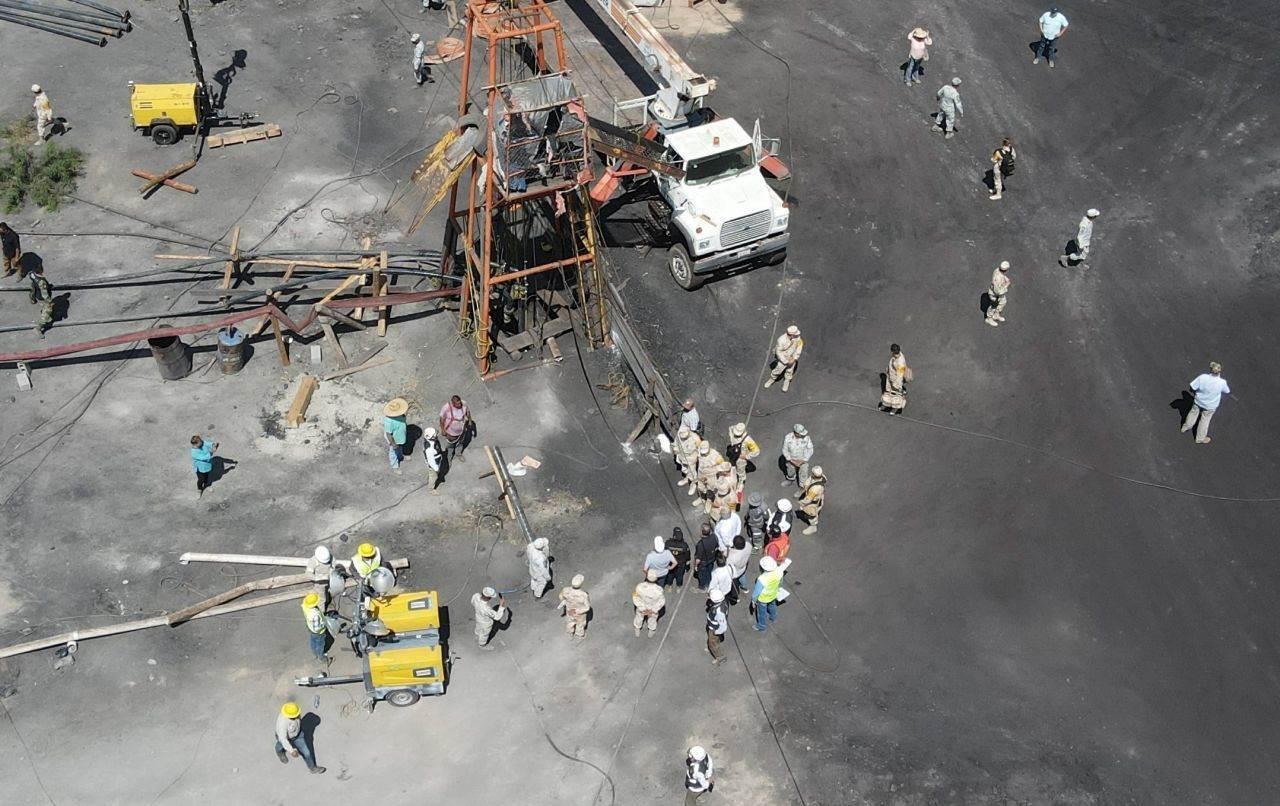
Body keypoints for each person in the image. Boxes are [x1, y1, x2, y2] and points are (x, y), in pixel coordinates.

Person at [1182, 362, 1230, 444]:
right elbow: (1227, 391)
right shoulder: (1222, 382)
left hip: (1198, 401)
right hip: (1210, 406)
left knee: (1193, 413)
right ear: (1220, 371)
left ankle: (1185, 427)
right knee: (1205, 420)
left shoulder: (1203, 377)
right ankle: (1200, 438)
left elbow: (1192, 387)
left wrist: (1194, 393)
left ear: (1211, 369)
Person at [275, 702, 325, 773]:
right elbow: (283, 739)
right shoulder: (282, 723)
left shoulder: (295, 713)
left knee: (307, 753)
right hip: (285, 738)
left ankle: (313, 768)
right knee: (279, 746)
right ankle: (280, 753)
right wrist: (291, 751)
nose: (297, 716)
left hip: (298, 736)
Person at [751, 555, 792, 632]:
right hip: (773, 594)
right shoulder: (779, 571)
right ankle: (773, 617)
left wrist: (753, 601)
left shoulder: (761, 579)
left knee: (761, 613)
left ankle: (761, 626)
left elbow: (756, 593)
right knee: (772, 606)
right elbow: (780, 583)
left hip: (763, 599)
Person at [764, 325, 804, 391]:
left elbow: (799, 349)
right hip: (783, 358)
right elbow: (778, 352)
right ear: (791, 335)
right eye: (795, 334)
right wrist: (785, 361)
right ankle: (772, 378)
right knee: (778, 369)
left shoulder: (798, 339)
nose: (797, 335)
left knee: (790, 370)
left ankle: (787, 380)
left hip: (792, 357)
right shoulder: (781, 340)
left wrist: (794, 358)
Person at [438, 394, 473, 462]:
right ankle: (449, 457)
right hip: (451, 432)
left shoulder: (464, 404)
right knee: (451, 445)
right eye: (457, 404)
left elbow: (467, 412)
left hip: (462, 430)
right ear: (453, 403)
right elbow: (441, 419)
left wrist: (470, 421)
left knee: (460, 442)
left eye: (460, 403)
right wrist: (442, 430)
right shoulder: (446, 407)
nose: (459, 405)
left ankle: (458, 453)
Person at [632, 569, 666, 638]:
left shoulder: (639, 587)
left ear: (647, 577)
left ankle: (637, 628)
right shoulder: (659, 590)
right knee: (652, 619)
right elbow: (661, 601)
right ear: (656, 578)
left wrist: (642, 608)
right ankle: (651, 630)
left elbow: (635, 597)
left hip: (642, 607)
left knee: (639, 617)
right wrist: (653, 610)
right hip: (652, 609)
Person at [879, 344, 911, 414]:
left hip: (896, 381)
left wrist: (896, 385)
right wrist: (888, 370)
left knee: (895, 396)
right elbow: (891, 364)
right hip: (891, 378)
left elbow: (900, 375)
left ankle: (894, 409)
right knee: (887, 393)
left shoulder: (900, 363)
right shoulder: (895, 355)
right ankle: (885, 405)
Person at [301, 592, 330, 666]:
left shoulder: (305, 606)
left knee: (313, 641)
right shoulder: (315, 615)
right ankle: (321, 657)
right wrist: (324, 623)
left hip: (310, 628)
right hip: (319, 633)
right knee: (320, 644)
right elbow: (317, 628)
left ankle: (314, 652)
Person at [557, 574, 591, 639]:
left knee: (570, 622)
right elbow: (587, 607)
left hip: (569, 611)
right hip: (579, 614)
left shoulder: (565, 590)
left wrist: (565, 602)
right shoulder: (583, 595)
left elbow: (561, 596)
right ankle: (579, 635)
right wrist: (577, 611)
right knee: (580, 624)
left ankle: (570, 633)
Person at [694, 441, 725, 510]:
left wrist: (720, 477)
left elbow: (722, 466)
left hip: (711, 476)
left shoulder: (716, 456)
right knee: (700, 487)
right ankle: (702, 497)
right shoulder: (698, 452)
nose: (704, 454)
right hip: (701, 473)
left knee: (710, 489)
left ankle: (709, 500)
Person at [796, 465, 826, 535]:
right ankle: (805, 515)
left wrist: (801, 503)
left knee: (811, 514)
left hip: (812, 502)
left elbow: (808, 499)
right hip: (814, 497)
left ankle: (813, 526)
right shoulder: (819, 478)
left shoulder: (815, 489)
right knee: (807, 511)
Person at [781, 423, 813, 487]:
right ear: (796, 433)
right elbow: (785, 450)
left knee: (803, 474)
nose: (803, 435)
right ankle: (790, 480)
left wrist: (803, 460)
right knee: (790, 471)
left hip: (802, 459)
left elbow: (810, 449)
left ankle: (802, 487)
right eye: (800, 434)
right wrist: (791, 460)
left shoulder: (807, 438)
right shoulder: (788, 438)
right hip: (791, 459)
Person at [383, 398, 409, 472]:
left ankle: (400, 456)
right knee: (393, 452)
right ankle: (395, 466)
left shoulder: (401, 415)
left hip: (400, 437)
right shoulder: (389, 421)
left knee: (400, 447)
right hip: (393, 439)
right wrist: (393, 443)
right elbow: (388, 434)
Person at [28, 263, 53, 337]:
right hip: (42, 297)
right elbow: (44, 293)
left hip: (36, 293)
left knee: (33, 290)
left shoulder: (32, 274)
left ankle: (32, 299)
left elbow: (33, 284)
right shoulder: (42, 282)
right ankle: (39, 327)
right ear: (41, 270)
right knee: (48, 311)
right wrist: (49, 302)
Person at [675, 425, 703, 490]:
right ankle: (687, 479)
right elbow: (676, 444)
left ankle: (693, 484)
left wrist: (698, 458)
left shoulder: (695, 438)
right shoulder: (679, 435)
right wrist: (675, 449)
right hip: (682, 456)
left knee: (692, 472)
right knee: (684, 469)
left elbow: (700, 448)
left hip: (691, 458)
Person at [705, 589, 728, 665]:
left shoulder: (719, 612)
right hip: (713, 627)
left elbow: (723, 627)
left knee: (713, 644)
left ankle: (720, 657)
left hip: (714, 629)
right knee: (715, 641)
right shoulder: (722, 603)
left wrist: (715, 632)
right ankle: (716, 644)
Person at [985, 261, 1011, 327]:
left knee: (1003, 302)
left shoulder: (997, 270)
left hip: (999, 292)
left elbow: (1002, 276)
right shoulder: (997, 278)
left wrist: (1006, 279)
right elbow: (998, 292)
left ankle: (996, 315)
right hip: (995, 294)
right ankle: (989, 318)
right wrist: (1006, 286)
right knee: (994, 305)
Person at [694, 523, 719, 590]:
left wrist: (696, 566)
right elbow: (717, 547)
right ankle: (708, 584)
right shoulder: (714, 537)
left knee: (701, 575)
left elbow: (698, 558)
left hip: (703, 562)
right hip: (712, 559)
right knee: (709, 572)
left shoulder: (700, 544)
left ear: (702, 532)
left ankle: (702, 586)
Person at [422, 426, 444, 491]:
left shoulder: (430, 441)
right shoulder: (429, 449)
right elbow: (431, 461)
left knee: (433, 475)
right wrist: (436, 469)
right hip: (433, 465)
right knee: (433, 476)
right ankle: (431, 489)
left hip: (437, 461)